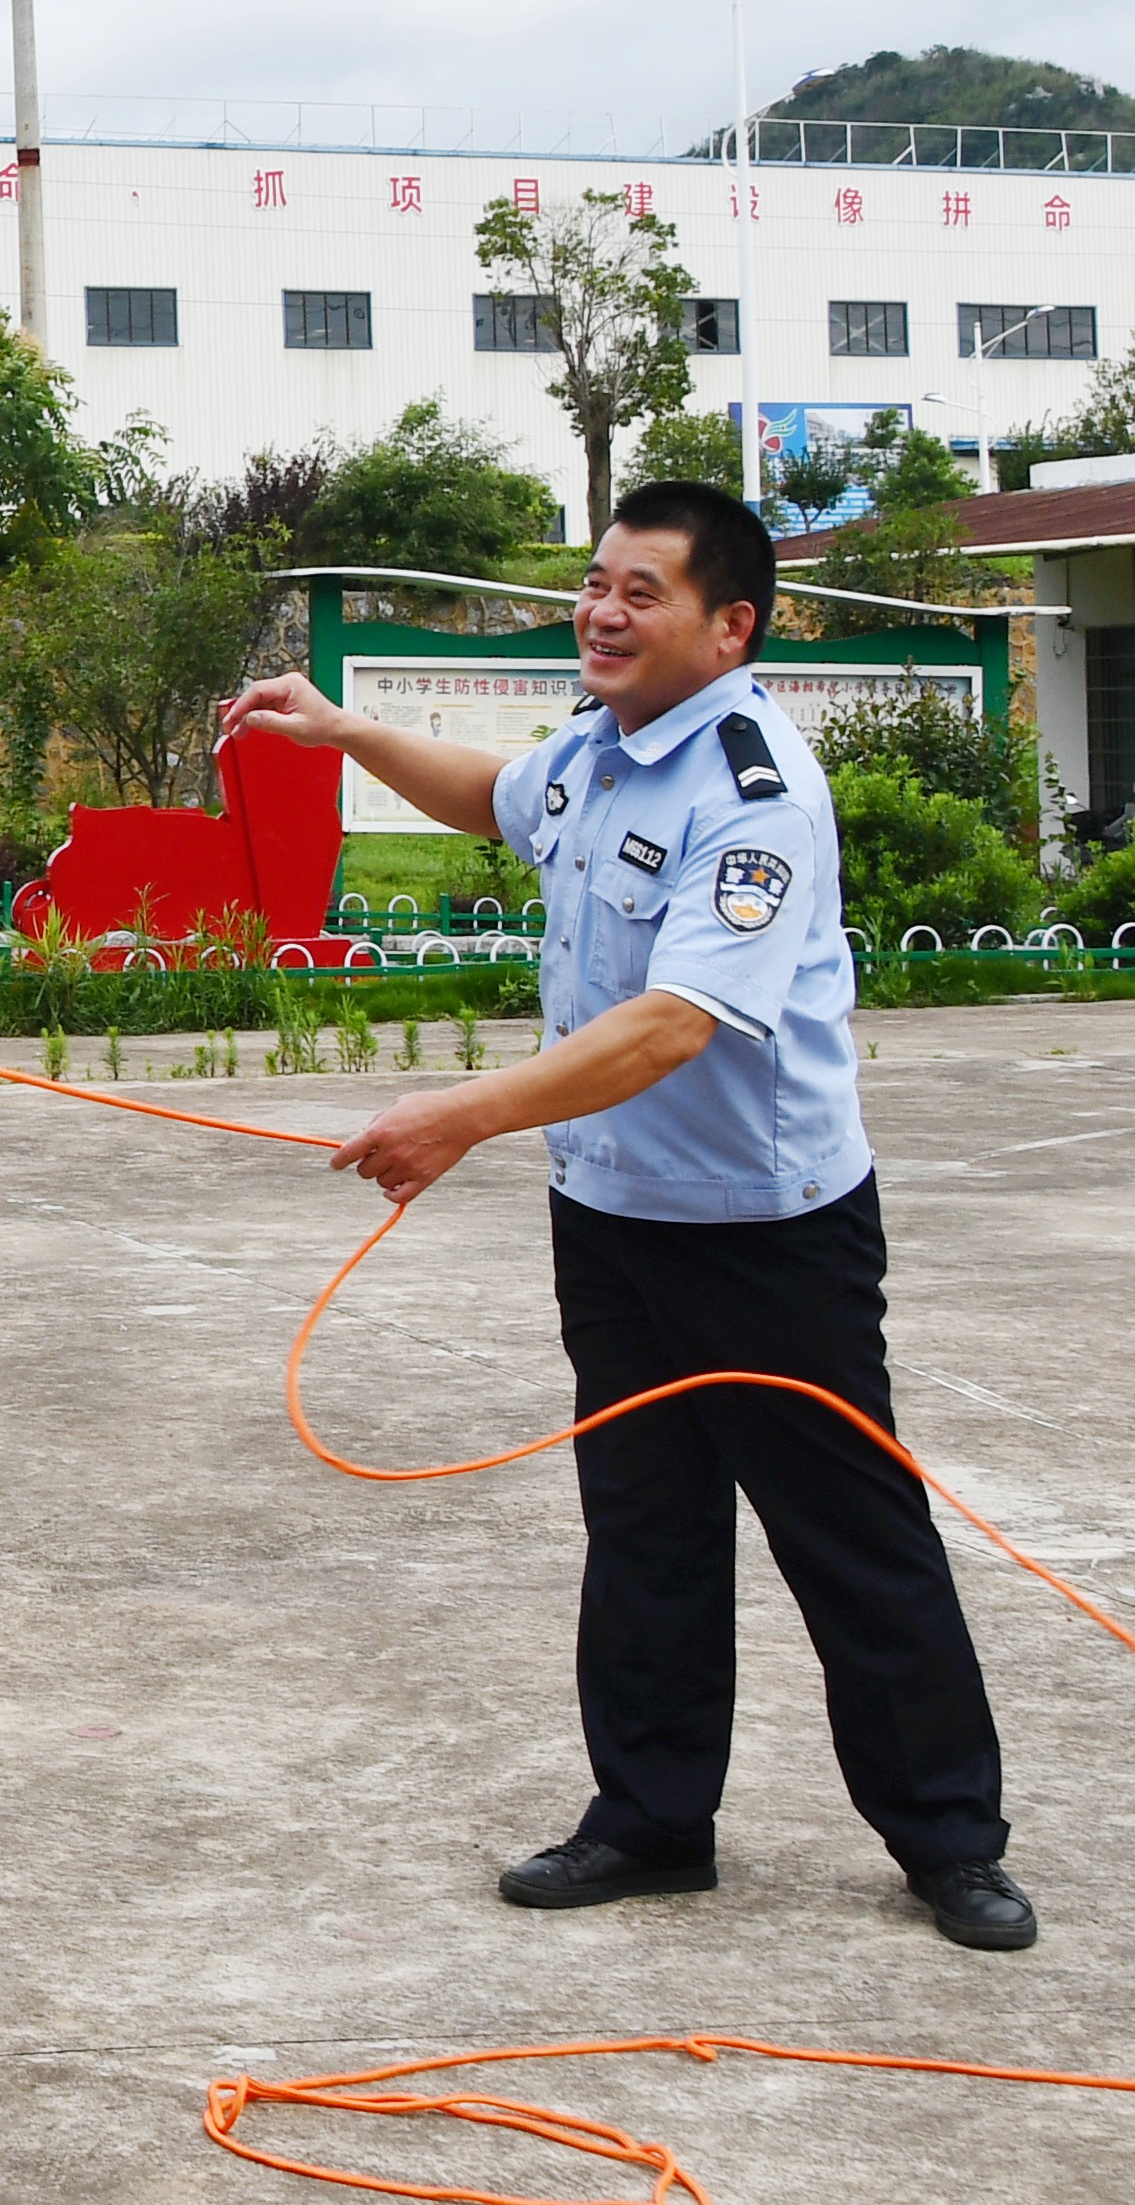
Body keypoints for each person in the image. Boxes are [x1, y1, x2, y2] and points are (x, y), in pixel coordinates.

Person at [224, 482, 1034, 1951]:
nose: (600, 610)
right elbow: (492, 796)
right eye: (593, 582)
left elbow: (674, 1023)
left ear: (728, 626)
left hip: (762, 1226)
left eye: (639, 590)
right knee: (643, 1522)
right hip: (607, 1210)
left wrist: (457, 1114)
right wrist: (343, 730)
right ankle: (651, 1818)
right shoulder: (598, 749)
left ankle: (946, 1838)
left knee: (847, 1534)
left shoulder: (749, 788)